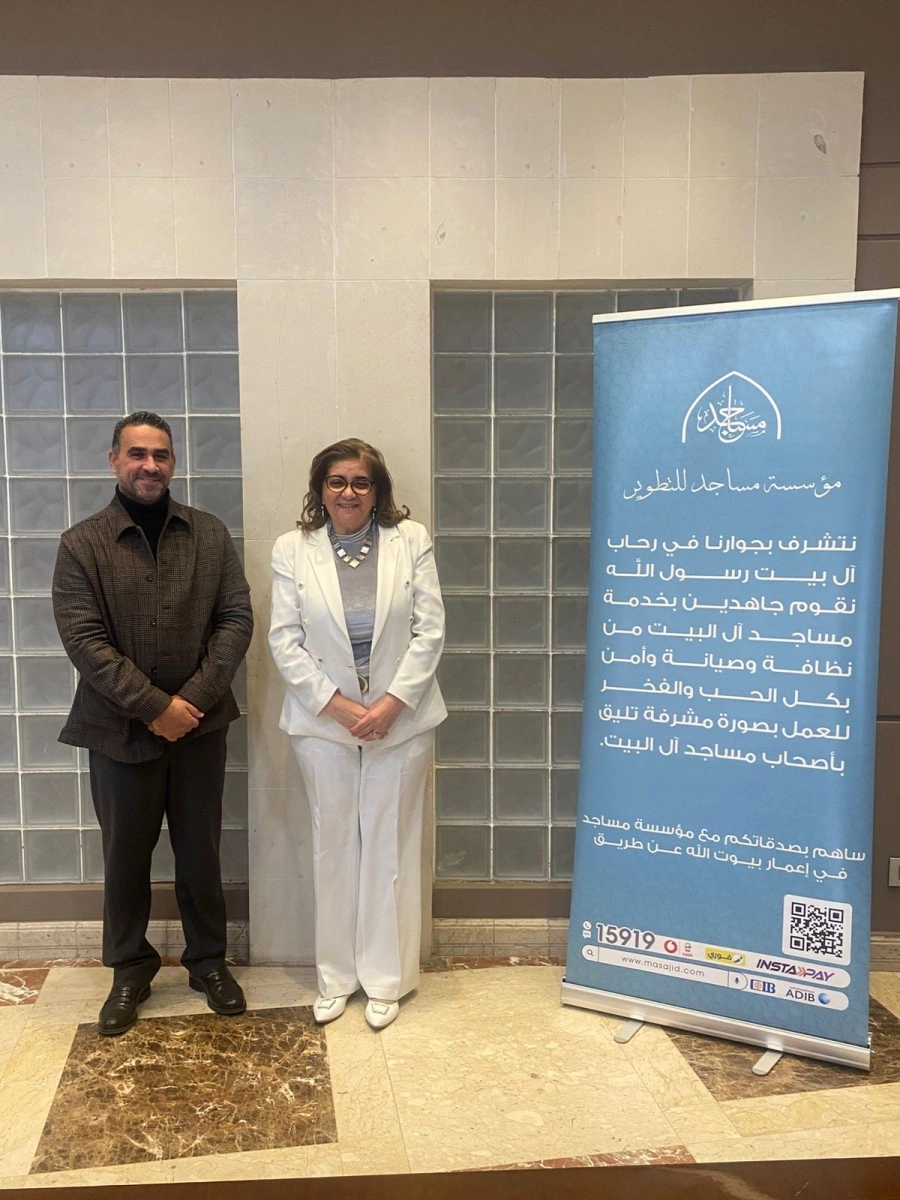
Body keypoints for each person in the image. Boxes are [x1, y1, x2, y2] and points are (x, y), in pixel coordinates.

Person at [51, 411, 253, 1036]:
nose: (149, 465)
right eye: (137, 454)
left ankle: (208, 962)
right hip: (116, 732)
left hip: (200, 727)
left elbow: (236, 619)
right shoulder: (82, 544)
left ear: (173, 463)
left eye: (160, 454)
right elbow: (84, 641)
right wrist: (154, 707)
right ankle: (130, 970)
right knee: (124, 856)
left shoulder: (209, 535)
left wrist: (189, 702)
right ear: (114, 460)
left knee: (201, 851)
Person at [268, 438, 446, 1030]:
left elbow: (430, 630)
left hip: (403, 719)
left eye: (361, 482)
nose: (349, 492)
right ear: (320, 490)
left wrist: (392, 703)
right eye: (337, 481)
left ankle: (385, 979)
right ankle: (336, 977)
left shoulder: (410, 541)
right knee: (334, 843)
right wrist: (339, 707)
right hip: (324, 722)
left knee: (390, 844)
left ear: (378, 490)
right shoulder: (293, 549)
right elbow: (284, 640)